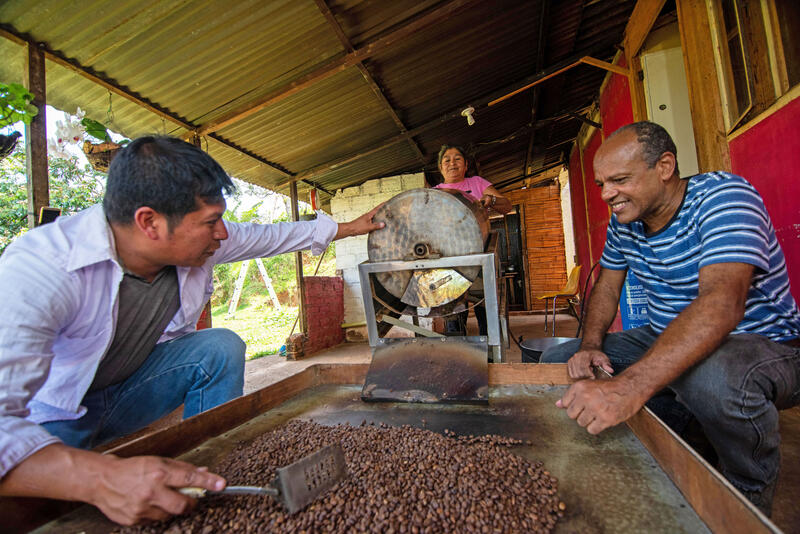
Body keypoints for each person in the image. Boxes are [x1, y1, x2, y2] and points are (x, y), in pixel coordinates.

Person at [0, 136, 384, 525]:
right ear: (148, 222)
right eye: (210, 222)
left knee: (219, 347)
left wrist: (351, 227)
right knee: (56, 513)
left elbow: (271, 235)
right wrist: (98, 478)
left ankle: (209, 473)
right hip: (57, 412)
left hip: (130, 390)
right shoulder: (42, 268)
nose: (222, 233)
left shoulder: (202, 241)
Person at [540, 121, 800, 515]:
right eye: (601, 184)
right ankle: (681, 432)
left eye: (620, 180)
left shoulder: (723, 197)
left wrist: (629, 387)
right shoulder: (625, 223)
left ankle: (744, 500)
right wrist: (590, 345)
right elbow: (608, 289)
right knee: (560, 361)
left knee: (714, 378)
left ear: (664, 166)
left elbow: (722, 305)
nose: (608, 194)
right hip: (665, 333)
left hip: (760, 344)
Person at [433, 144, 512, 336]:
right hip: (448, 262)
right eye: (447, 159)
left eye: (457, 158)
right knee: (453, 317)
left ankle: (490, 356)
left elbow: (507, 206)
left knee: (485, 312)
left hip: (479, 257)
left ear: (466, 164)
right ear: (441, 167)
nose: (452, 163)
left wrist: (491, 200)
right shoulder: (433, 193)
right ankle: (461, 357)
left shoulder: (476, 183)